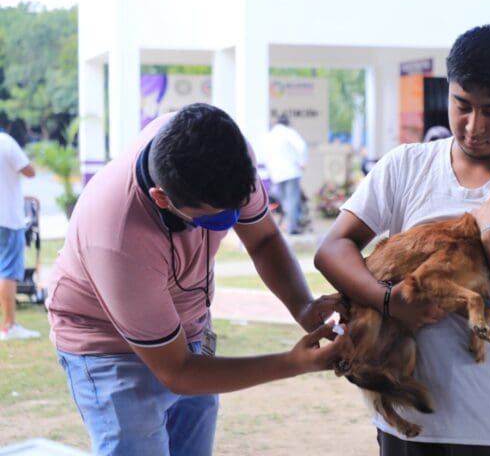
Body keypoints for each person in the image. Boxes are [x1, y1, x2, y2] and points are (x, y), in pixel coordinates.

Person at [315, 25, 490, 455]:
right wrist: (389, 300)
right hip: (409, 428)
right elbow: (332, 249)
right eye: (462, 105)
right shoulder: (407, 166)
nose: (474, 126)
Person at [46, 103, 351, 455]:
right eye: (214, 219)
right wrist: (292, 364)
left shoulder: (223, 155)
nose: (232, 221)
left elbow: (264, 239)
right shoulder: (116, 237)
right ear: (162, 198)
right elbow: (178, 372)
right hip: (108, 344)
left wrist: (303, 306)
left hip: (187, 329)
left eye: (236, 211)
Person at [0, 127, 40, 340]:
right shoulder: (6, 142)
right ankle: (8, 325)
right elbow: (29, 171)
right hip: (7, 218)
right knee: (7, 270)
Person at [262, 113, 307, 234]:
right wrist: (302, 162)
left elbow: (266, 155)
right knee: (292, 200)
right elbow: (301, 146)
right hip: (291, 171)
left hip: (277, 173)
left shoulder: (270, 135)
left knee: (284, 201)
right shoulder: (289, 132)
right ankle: (292, 228)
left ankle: (287, 225)